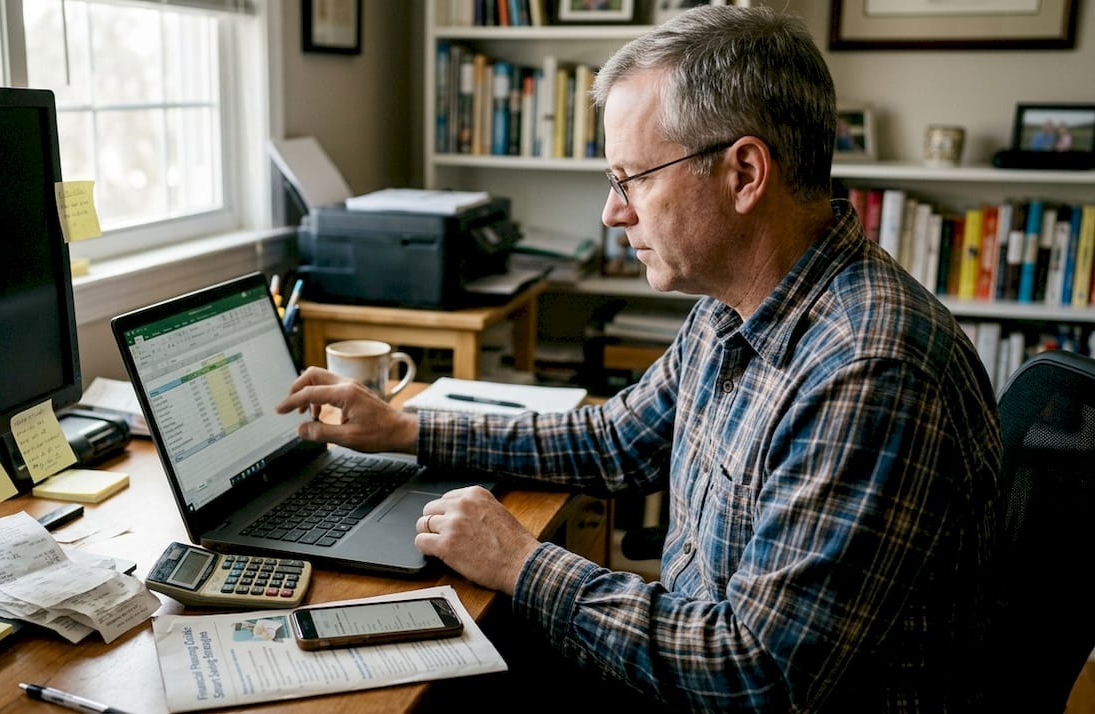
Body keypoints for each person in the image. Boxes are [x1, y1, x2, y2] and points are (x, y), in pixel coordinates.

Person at [277, 5, 1004, 710]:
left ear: (745, 173)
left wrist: (523, 562)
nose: (613, 212)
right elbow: (619, 437)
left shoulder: (867, 370)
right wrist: (410, 429)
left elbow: (756, 677)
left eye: (632, 179)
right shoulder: (734, 306)